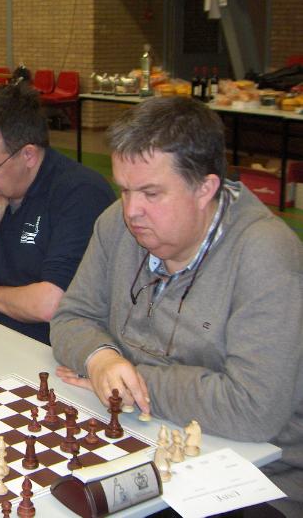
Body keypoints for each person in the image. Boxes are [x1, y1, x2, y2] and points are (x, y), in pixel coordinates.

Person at [50, 96, 302, 515]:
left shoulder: (267, 255)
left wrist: (130, 383)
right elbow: (71, 316)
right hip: (146, 437)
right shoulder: (116, 225)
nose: (132, 211)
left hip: (258, 477)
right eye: (125, 189)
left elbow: (253, 409)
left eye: (151, 193)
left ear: (205, 188)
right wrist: (101, 359)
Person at [0, 83, 115, 345]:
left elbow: (50, 304)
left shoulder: (81, 193)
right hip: (2, 344)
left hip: (59, 353)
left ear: (28, 155)